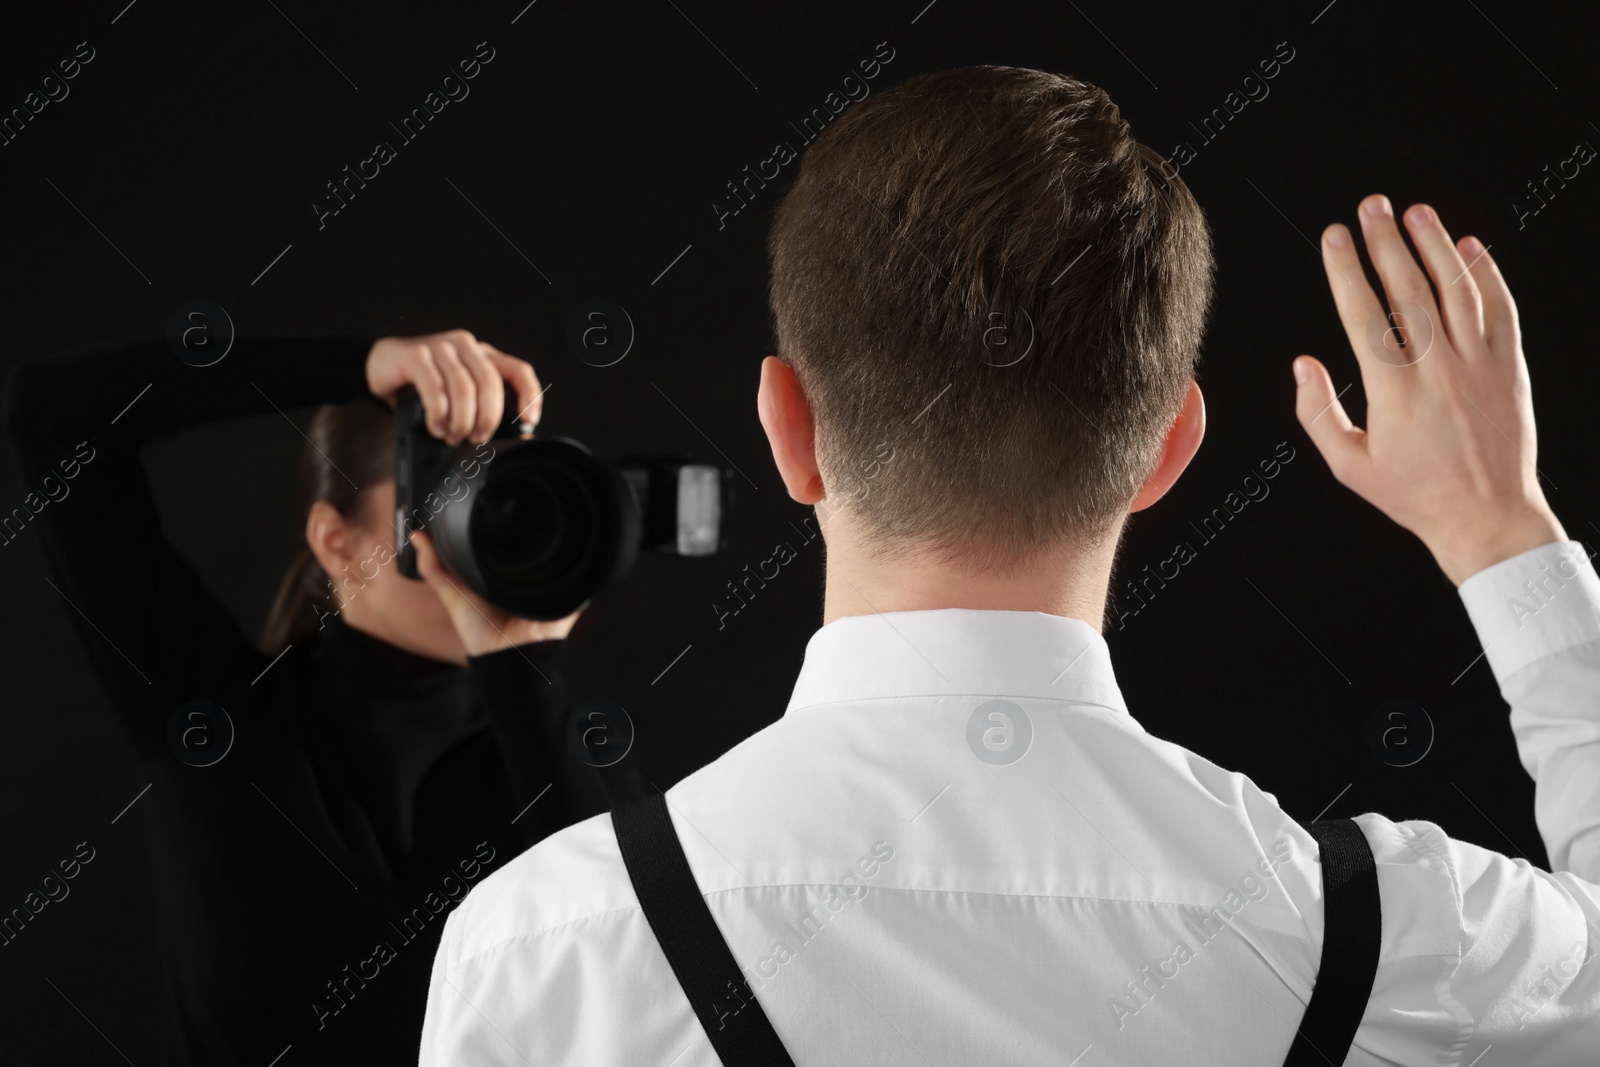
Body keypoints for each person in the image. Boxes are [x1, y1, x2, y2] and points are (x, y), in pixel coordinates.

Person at [418, 66, 1600, 1064]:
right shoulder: (1372, 933)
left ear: (787, 427)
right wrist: (1499, 523)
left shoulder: (546, 940)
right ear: (1168, 449)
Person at [2, 329, 646, 1065]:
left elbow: (634, 964)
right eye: (444, 492)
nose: (484, 527)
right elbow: (50, 415)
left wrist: (520, 661)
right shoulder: (214, 719)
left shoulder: (557, 755)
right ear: (336, 541)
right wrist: (363, 364)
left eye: (508, 498)